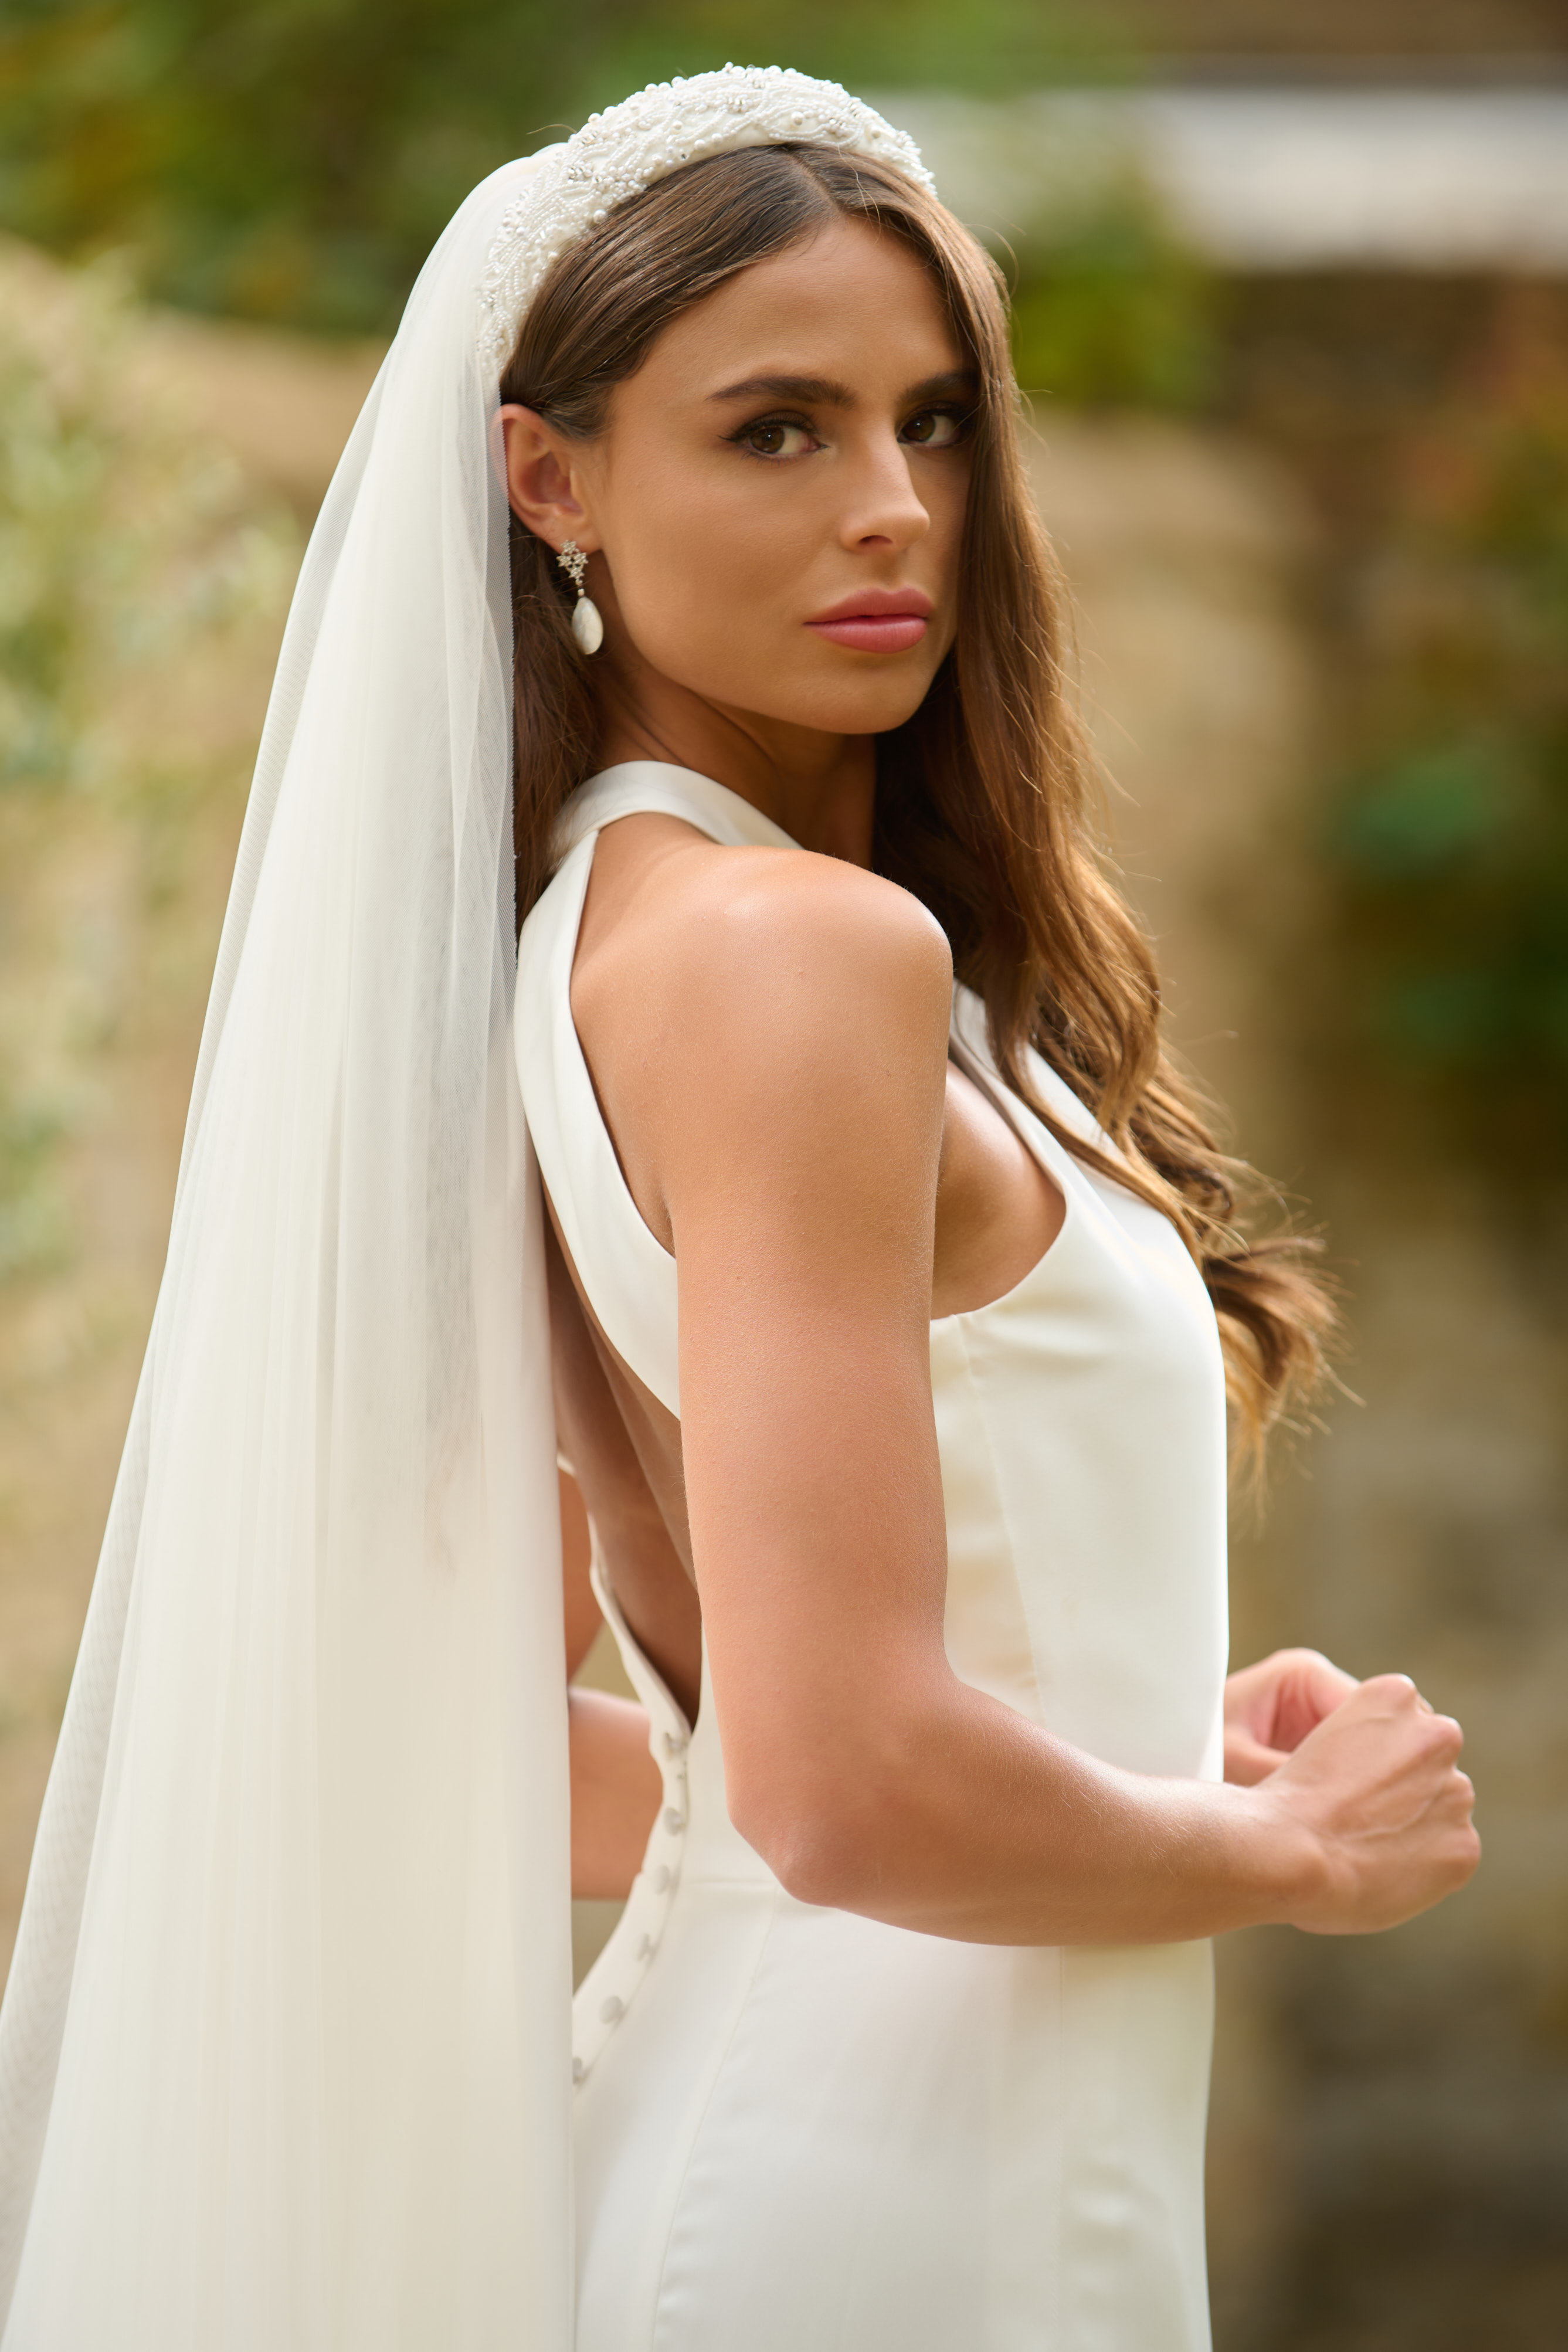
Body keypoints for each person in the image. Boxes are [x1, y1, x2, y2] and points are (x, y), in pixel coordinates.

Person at [0, 66, 1477, 2352]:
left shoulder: (604, 943)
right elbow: (843, 1780)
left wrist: (1123, 1753)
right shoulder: (796, 961)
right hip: (879, 2218)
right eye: (776, 429)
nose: (892, 506)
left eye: (933, 421)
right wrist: (1286, 1851)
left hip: (872, 2160)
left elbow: (540, 1742)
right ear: (549, 479)